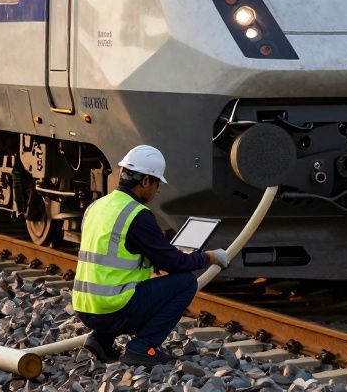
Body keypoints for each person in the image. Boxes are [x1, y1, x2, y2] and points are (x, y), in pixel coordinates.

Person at [72, 144, 231, 367]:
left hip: (85, 307)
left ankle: (100, 340)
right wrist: (210, 257)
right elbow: (176, 263)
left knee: (142, 286)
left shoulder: (97, 206)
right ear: (145, 181)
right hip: (111, 310)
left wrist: (153, 256)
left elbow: (115, 252)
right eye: (156, 183)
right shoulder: (137, 214)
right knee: (185, 283)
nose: (157, 190)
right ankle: (141, 348)